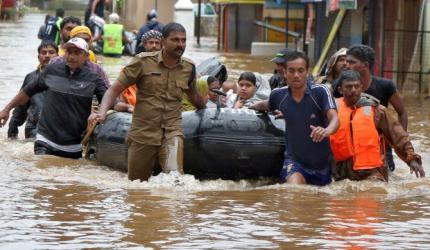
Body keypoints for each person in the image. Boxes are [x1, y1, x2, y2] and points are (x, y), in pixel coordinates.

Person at [89, 22, 206, 181]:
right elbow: (114, 89)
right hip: (143, 133)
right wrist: (102, 113)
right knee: (137, 185)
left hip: (172, 131)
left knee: (175, 179)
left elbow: (194, 96)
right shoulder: (142, 62)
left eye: (183, 40)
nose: (181, 44)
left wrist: (209, 107)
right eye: (175, 40)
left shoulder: (189, 67)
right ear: (164, 41)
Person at [0, 38, 107, 159]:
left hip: (74, 146)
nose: (72, 56)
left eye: (77, 53)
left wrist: (106, 111)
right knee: (42, 174)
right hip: (45, 141)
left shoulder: (93, 79)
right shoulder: (51, 71)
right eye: (69, 52)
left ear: (86, 56)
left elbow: (109, 99)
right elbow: (27, 92)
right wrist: (6, 109)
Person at [250, 50, 339, 186]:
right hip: (295, 162)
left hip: (322, 164)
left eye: (300, 70)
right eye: (291, 71)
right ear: (284, 72)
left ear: (307, 72)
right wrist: (245, 108)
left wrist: (326, 131)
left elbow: (335, 119)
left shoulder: (320, 91)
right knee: (294, 194)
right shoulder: (278, 95)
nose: (296, 75)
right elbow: (265, 105)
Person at [330, 70, 424, 181]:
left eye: (356, 86)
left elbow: (398, 135)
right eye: (349, 87)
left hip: (371, 173)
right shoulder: (331, 110)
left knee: (373, 192)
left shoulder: (377, 110)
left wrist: (411, 159)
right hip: (340, 172)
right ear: (340, 90)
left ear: (362, 87)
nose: (353, 90)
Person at [345, 44, 408, 172]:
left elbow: (402, 112)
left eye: (351, 62)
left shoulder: (385, 86)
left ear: (365, 65)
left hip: (382, 149)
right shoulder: (342, 87)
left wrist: (399, 140)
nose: (346, 65)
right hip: (352, 148)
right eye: (346, 61)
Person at [8, 41, 59, 139]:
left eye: (51, 52)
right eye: (43, 53)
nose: (47, 56)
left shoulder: (66, 77)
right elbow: (21, 105)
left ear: (58, 56)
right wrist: (13, 127)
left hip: (57, 129)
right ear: (38, 57)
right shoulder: (31, 77)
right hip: (33, 129)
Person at [113, 29, 164, 112]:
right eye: (151, 42)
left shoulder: (166, 66)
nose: (154, 45)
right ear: (145, 44)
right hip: (133, 105)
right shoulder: (134, 65)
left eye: (157, 43)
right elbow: (117, 96)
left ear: (161, 45)